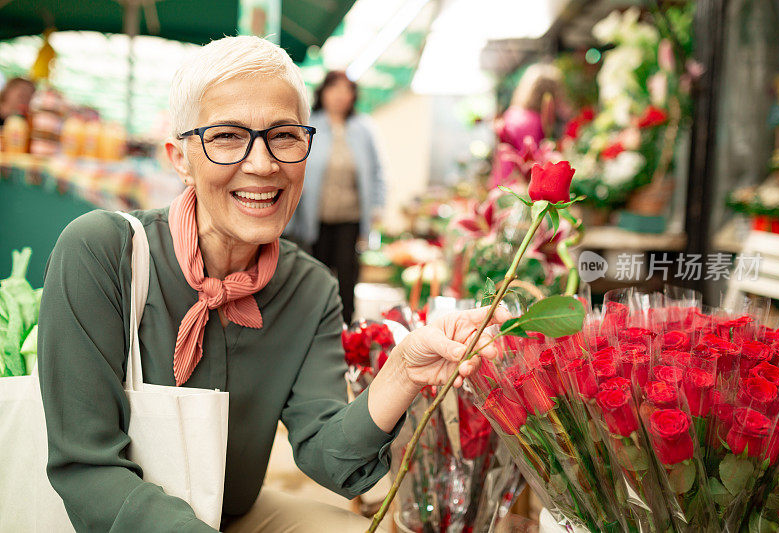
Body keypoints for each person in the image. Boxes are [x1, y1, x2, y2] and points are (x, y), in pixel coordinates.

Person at [37, 36, 505, 532]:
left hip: (230, 513)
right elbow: (86, 468)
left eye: (284, 135)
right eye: (226, 137)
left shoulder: (310, 288)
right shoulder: (103, 252)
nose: (263, 164)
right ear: (180, 158)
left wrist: (404, 371)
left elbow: (331, 459)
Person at [288, 70, 384, 324]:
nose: (341, 96)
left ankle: (347, 330)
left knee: (347, 276)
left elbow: (377, 171)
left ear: (353, 96)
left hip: (350, 217)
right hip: (315, 217)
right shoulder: (310, 125)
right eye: (335, 89)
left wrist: (377, 207)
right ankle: (316, 326)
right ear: (323, 93)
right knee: (316, 275)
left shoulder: (363, 128)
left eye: (346, 90)